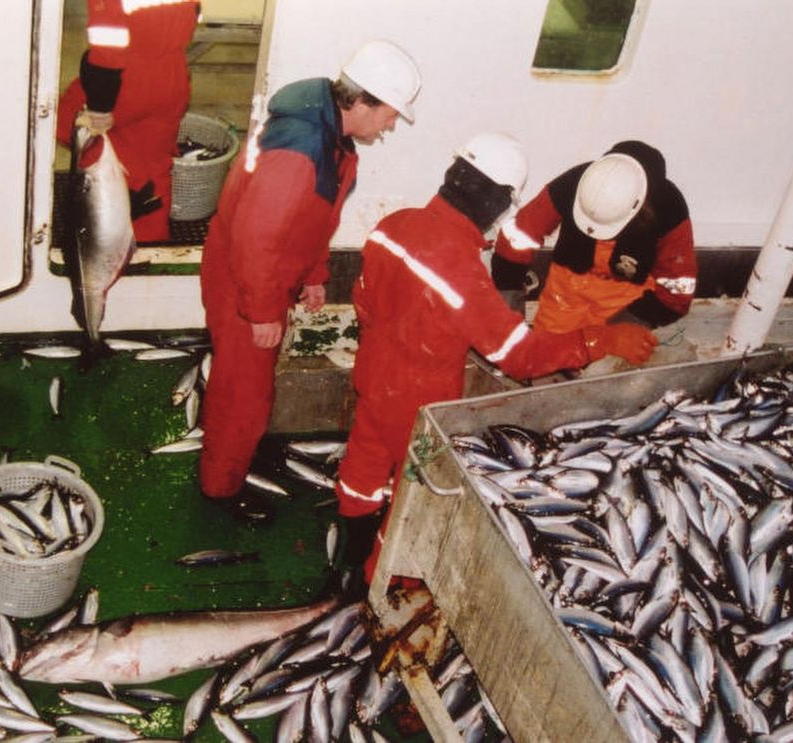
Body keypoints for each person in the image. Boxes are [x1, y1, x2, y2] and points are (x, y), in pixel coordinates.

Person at [333, 132, 658, 585]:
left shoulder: (392, 227)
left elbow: (363, 299)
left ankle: (346, 553)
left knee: (365, 463)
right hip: (419, 409)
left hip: (373, 376)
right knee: (417, 492)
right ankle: (381, 581)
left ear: (454, 174)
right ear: (499, 201)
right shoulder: (464, 276)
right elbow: (519, 357)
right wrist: (599, 339)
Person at [199, 40, 422, 521]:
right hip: (244, 281)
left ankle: (233, 454)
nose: (389, 127)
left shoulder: (329, 136)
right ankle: (220, 491)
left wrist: (314, 275)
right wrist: (260, 311)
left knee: (246, 387)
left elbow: (312, 219)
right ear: (362, 102)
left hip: (263, 275)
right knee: (243, 395)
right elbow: (256, 236)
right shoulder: (301, 149)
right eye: (390, 116)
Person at [491, 140, 696, 349]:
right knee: (545, 353)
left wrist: (621, 331)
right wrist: (509, 315)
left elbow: (678, 292)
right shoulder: (575, 182)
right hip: (566, 293)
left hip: (627, 300)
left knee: (609, 362)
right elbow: (516, 238)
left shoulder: (669, 208)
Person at [56, 0, 200, 243]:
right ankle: (151, 240)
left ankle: (107, 235)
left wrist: (100, 107)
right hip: (172, 73)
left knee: (72, 128)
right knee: (153, 161)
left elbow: (107, 45)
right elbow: (194, 12)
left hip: (126, 79)